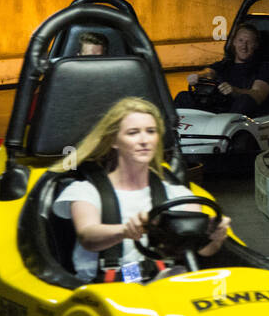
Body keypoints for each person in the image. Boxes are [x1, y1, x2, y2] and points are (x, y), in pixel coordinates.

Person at [53, 97, 230, 282]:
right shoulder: (85, 191)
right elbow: (88, 236)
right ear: (114, 140)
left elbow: (202, 251)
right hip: (107, 286)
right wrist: (125, 230)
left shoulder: (178, 196)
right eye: (133, 133)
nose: (144, 140)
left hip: (162, 280)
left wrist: (214, 237)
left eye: (151, 132)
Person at [174, 23, 269, 116]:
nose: (244, 46)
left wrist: (235, 91)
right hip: (216, 111)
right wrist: (199, 76)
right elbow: (209, 72)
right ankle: (173, 133)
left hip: (241, 116)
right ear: (234, 42)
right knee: (183, 96)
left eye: (249, 42)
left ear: (256, 45)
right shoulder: (224, 64)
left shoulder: (264, 68)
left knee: (245, 100)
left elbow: (258, 94)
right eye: (240, 40)